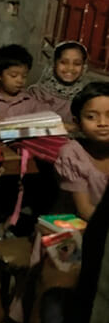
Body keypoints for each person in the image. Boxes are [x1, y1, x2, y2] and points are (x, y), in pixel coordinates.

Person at [54, 82, 109, 221]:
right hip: (79, 226)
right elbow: (84, 210)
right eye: (91, 117)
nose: (103, 123)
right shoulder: (72, 154)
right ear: (77, 122)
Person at [29, 41, 89, 125]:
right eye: (63, 62)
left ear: (84, 67)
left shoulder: (86, 97)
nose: (70, 68)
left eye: (77, 64)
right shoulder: (37, 93)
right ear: (53, 64)